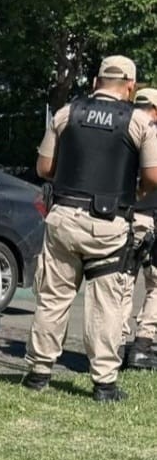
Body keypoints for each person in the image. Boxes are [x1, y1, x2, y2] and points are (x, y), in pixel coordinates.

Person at [23, 55, 157, 401]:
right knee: (106, 304)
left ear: (97, 82)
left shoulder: (68, 113)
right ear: (130, 86)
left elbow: (43, 167)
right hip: (108, 225)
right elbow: (153, 176)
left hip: (64, 216)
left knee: (53, 298)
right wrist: (137, 190)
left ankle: (38, 373)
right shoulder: (139, 121)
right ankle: (104, 383)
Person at [122, 88, 157, 369]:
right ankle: (142, 346)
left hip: (123, 217)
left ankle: (117, 345)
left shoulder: (122, 130)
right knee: (156, 285)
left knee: (122, 281)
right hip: (150, 218)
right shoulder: (152, 133)